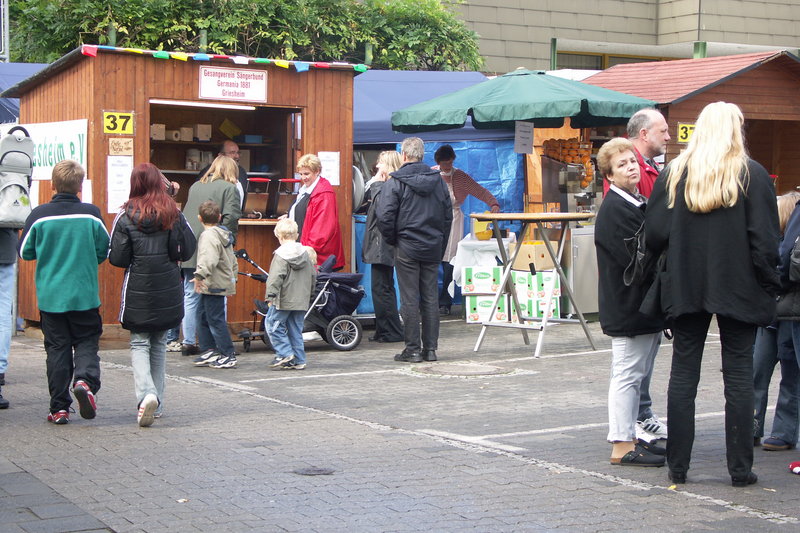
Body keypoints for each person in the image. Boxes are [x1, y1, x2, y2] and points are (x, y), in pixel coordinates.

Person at [644, 101, 781, 487]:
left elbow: (654, 234)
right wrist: (771, 283)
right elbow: (765, 241)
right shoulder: (751, 175)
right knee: (738, 377)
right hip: (740, 286)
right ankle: (740, 469)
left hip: (686, 284)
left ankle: (678, 467)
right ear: (735, 130)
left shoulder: (675, 174)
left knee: (683, 373)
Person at [18, 160, 110, 424]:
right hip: (84, 294)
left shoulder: (39, 215)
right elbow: (104, 250)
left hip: (51, 296)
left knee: (57, 349)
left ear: (53, 185)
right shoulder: (91, 214)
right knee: (86, 341)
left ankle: (58, 408)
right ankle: (85, 381)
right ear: (80, 186)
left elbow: (25, 252)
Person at [594, 138, 666, 467]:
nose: (631, 167)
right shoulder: (615, 209)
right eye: (622, 165)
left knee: (635, 375)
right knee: (626, 375)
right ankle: (621, 443)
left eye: (632, 161)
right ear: (609, 175)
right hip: (628, 307)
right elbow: (638, 260)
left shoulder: (636, 200)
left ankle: (631, 436)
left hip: (642, 307)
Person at [109, 163, 196, 426]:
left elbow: (118, 258)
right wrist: (170, 196)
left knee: (139, 342)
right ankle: (156, 402)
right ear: (160, 184)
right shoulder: (174, 213)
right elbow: (188, 248)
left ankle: (146, 395)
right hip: (169, 286)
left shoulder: (125, 216)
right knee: (158, 343)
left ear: (135, 183)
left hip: (138, 287)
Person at [376, 137, 452, 363]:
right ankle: (430, 349)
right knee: (430, 298)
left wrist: (394, 240)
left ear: (404, 155)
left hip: (407, 246)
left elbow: (385, 216)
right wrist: (440, 243)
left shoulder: (395, 181)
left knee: (410, 299)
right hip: (431, 245)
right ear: (422, 154)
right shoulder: (438, 181)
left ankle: (413, 349)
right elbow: (447, 216)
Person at [179, 155, 242, 356]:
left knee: (190, 295)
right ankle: (218, 345)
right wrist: (228, 242)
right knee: (217, 295)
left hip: (191, 248)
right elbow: (231, 218)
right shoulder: (230, 188)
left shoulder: (196, 186)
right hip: (214, 248)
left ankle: (188, 341)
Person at [752, 192, 800, 450]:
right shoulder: (772, 242)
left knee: (789, 376)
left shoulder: (787, 243)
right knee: (758, 372)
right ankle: (755, 426)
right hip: (771, 317)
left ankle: (782, 432)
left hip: (784, 315)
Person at [433, 144, 501, 315]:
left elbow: (479, 190)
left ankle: (445, 301)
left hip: (454, 218)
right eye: (444, 164)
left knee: (450, 259)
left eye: (449, 163)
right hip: (434, 219)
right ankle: (429, 300)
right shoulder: (431, 175)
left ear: (453, 160)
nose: (447, 167)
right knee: (432, 258)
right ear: (438, 162)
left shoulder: (460, 177)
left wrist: (493, 203)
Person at [361, 151, 403, 343]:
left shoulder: (387, 186)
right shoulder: (391, 185)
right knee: (384, 287)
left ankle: (390, 331)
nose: (377, 166)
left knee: (382, 288)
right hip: (383, 243)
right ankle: (385, 329)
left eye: (380, 163)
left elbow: (381, 210)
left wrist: (376, 183)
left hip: (382, 243)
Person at [191, 201, 239, 369]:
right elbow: (233, 259)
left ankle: (228, 354)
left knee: (215, 319)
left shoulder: (209, 236)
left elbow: (208, 258)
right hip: (217, 282)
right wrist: (233, 278)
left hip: (213, 283)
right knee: (202, 315)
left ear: (199, 218)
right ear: (219, 217)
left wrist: (199, 275)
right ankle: (209, 349)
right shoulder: (223, 233)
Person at [264, 219, 317, 371]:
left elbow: (275, 277)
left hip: (284, 299)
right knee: (295, 329)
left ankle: (285, 353)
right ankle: (299, 360)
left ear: (278, 235)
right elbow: (313, 276)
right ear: (297, 234)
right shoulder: (306, 254)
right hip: (301, 300)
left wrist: (270, 296)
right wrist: (310, 295)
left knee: (272, 324)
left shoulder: (280, 255)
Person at [287, 154, 345, 270]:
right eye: (301, 174)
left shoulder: (323, 193)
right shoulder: (308, 190)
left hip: (319, 258)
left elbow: (322, 229)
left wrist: (306, 253)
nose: (303, 178)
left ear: (317, 171)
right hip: (311, 253)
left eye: (307, 174)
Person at [603, 108, 670, 199]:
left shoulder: (650, 166)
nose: (668, 137)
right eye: (663, 131)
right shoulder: (624, 169)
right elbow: (620, 210)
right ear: (644, 134)